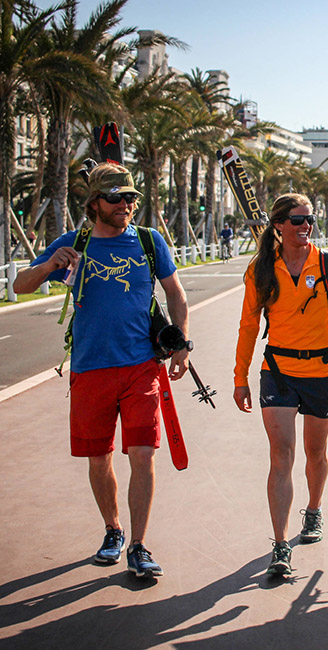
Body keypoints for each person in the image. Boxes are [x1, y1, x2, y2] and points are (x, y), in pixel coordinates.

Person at [13, 162, 189, 579]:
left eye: (130, 197)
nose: (126, 205)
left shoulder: (148, 241)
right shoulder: (75, 242)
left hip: (141, 366)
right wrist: (48, 265)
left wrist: (181, 342)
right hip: (91, 367)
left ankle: (140, 546)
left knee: (143, 455)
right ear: (94, 203)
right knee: (99, 458)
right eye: (116, 198)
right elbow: (20, 285)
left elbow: (176, 293)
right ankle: (113, 530)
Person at [233, 193, 328, 577]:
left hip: (323, 371)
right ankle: (279, 545)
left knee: (316, 452)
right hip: (277, 370)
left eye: (309, 220)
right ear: (278, 224)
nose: (305, 226)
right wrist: (239, 378)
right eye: (296, 220)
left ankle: (314, 510)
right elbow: (248, 326)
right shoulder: (260, 269)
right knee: (281, 455)